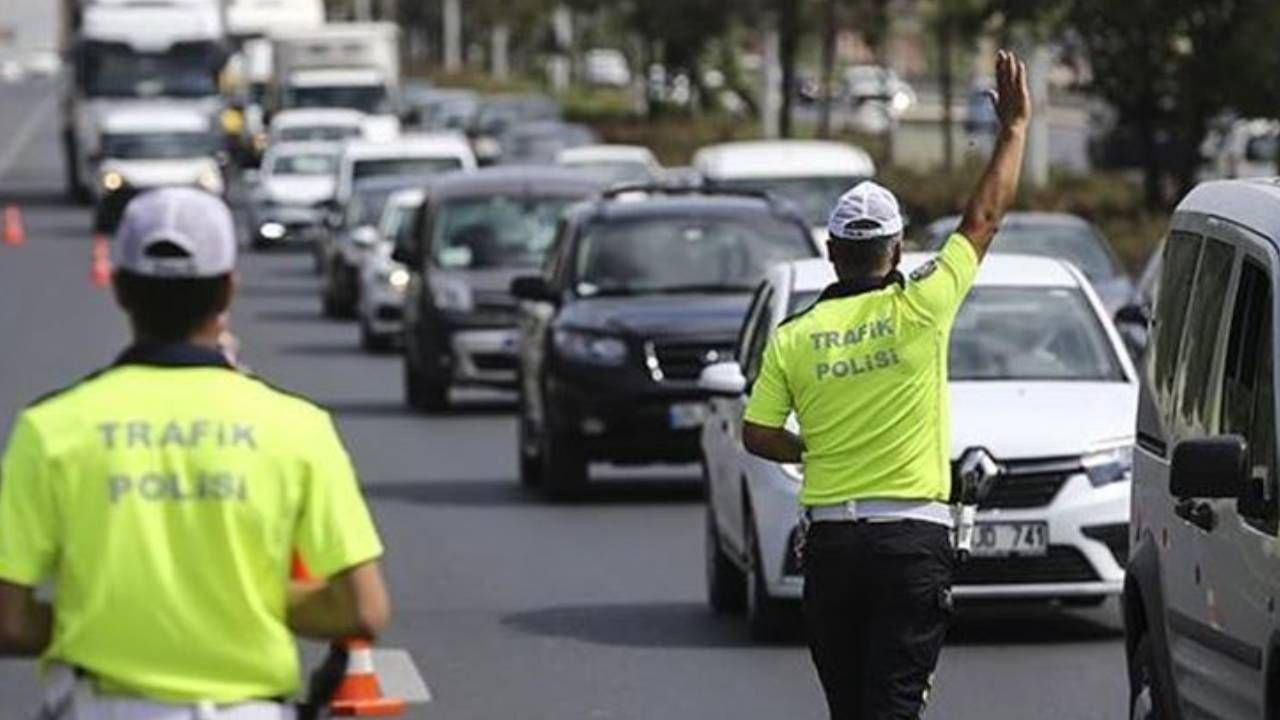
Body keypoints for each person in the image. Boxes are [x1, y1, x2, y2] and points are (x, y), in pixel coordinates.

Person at [0, 187, 390, 719]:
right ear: (228, 291)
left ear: (118, 289)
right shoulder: (297, 428)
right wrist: (237, 603)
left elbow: (10, 620)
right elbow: (362, 609)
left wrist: (102, 615)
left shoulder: (51, 430)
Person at [741, 49, 1032, 719]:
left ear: (831, 252)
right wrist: (1013, 131)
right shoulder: (924, 303)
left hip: (833, 549)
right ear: (897, 250)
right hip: (911, 544)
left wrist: (809, 450)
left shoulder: (794, 336)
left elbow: (758, 434)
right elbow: (983, 218)